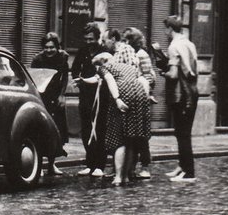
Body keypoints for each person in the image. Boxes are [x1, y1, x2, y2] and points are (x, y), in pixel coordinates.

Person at [93, 49, 151, 187]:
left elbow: (109, 79)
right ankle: (126, 176)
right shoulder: (129, 67)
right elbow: (143, 80)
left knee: (119, 139)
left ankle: (118, 177)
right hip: (139, 94)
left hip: (123, 93)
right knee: (131, 138)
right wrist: (146, 97)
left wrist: (117, 98)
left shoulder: (105, 67)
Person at [162, 15, 199, 182]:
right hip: (192, 91)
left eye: (165, 29)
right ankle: (182, 167)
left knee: (182, 134)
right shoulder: (189, 43)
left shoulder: (174, 46)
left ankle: (188, 172)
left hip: (181, 95)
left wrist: (163, 71)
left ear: (170, 29)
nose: (165, 32)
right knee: (184, 132)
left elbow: (173, 74)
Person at [70, 23, 108, 177]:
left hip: (101, 95)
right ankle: (89, 163)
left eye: (91, 39)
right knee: (86, 129)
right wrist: (77, 80)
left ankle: (100, 165)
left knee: (99, 129)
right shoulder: (83, 51)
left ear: (97, 38)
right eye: (86, 39)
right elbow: (74, 68)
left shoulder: (104, 52)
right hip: (85, 94)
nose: (88, 42)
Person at [30, 32, 69, 175]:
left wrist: (62, 95)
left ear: (57, 47)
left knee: (56, 131)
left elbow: (64, 77)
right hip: (42, 97)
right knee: (40, 131)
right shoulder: (37, 59)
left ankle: (51, 165)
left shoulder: (62, 57)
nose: (49, 50)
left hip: (56, 96)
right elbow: (33, 78)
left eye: (52, 47)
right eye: (46, 47)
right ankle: (38, 165)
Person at [123, 27, 156, 179]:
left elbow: (149, 76)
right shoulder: (126, 53)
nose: (124, 42)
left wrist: (140, 89)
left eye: (127, 39)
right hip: (130, 97)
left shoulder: (142, 54)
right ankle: (130, 166)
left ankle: (145, 165)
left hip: (140, 97)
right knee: (131, 134)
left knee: (141, 135)